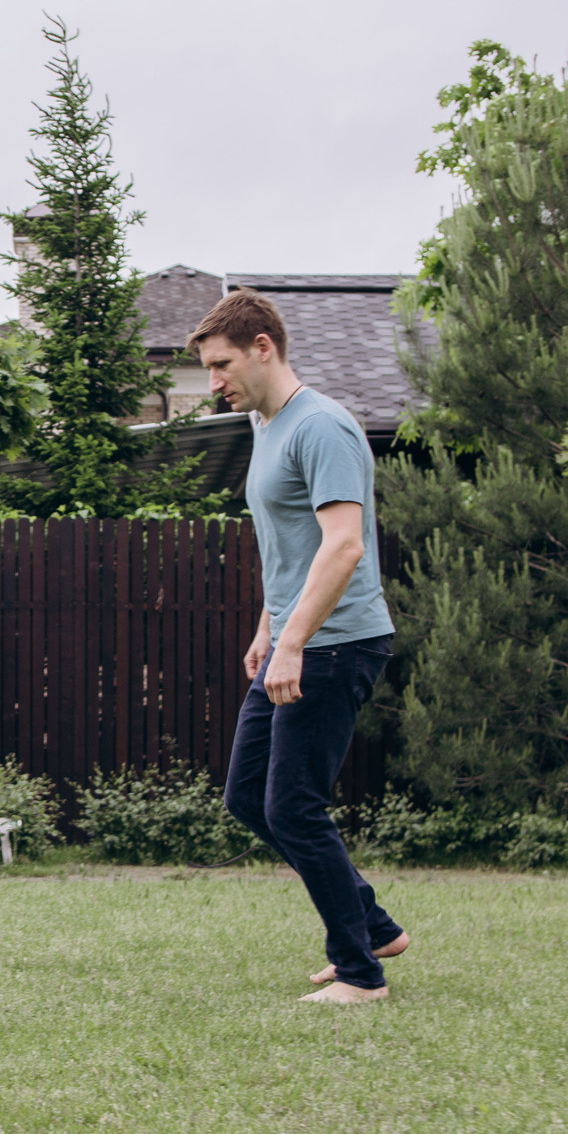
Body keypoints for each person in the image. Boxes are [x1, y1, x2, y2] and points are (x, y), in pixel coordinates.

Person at [190, 290, 410, 1005]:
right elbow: (293, 548)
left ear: (263, 347)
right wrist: (267, 627)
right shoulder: (266, 424)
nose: (213, 381)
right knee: (250, 796)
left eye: (221, 364)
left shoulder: (323, 427)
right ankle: (371, 924)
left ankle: (360, 972)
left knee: (293, 806)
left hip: (336, 642)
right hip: (294, 635)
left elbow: (344, 545)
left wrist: (295, 643)